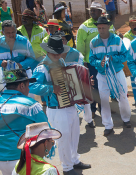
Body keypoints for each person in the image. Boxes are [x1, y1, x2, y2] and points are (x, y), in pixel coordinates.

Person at [29, 35, 91, 175]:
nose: (57, 54)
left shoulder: (62, 62)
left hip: (69, 105)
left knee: (74, 135)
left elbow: (70, 80)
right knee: (63, 138)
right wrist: (51, 88)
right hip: (56, 109)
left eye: (59, 51)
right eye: (54, 52)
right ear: (47, 52)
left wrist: (83, 84)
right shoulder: (42, 68)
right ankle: (67, 167)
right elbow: (32, 86)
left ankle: (74, 160)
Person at [0, 69, 48, 175]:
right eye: (27, 85)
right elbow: (46, 130)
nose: (28, 88)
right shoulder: (31, 104)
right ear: (22, 85)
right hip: (22, 159)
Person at [89, 16, 131, 136]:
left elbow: (124, 56)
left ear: (108, 27)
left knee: (123, 96)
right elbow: (91, 59)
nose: (101, 30)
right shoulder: (93, 42)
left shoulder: (117, 40)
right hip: (102, 75)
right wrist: (99, 63)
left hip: (117, 73)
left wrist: (113, 58)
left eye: (103, 27)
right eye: (99, 28)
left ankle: (126, 119)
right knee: (104, 99)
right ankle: (108, 125)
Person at [55, 30, 95, 128]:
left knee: (86, 102)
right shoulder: (53, 55)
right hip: (61, 84)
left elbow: (81, 69)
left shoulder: (76, 54)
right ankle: (71, 123)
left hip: (76, 81)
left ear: (66, 41)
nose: (61, 42)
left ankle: (89, 120)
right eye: (59, 40)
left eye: (63, 40)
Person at [76, 2, 105, 117]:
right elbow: (80, 46)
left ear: (100, 12)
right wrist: (83, 62)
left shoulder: (108, 25)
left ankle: (103, 108)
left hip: (104, 62)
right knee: (92, 86)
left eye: (94, 10)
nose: (92, 12)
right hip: (90, 62)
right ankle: (93, 109)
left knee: (103, 86)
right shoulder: (84, 27)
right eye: (91, 10)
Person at [124, 15, 136, 106]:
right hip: (131, 61)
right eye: (133, 25)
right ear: (130, 26)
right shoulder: (126, 35)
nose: (135, 26)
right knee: (133, 81)